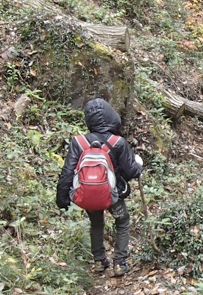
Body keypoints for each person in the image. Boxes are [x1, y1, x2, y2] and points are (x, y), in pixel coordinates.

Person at [56, 98, 143, 277]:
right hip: (113, 195)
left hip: (88, 195)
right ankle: (119, 263)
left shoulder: (78, 142)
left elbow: (67, 171)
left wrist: (62, 197)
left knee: (96, 224)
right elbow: (131, 171)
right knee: (123, 221)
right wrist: (138, 165)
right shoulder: (118, 142)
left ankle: (99, 261)